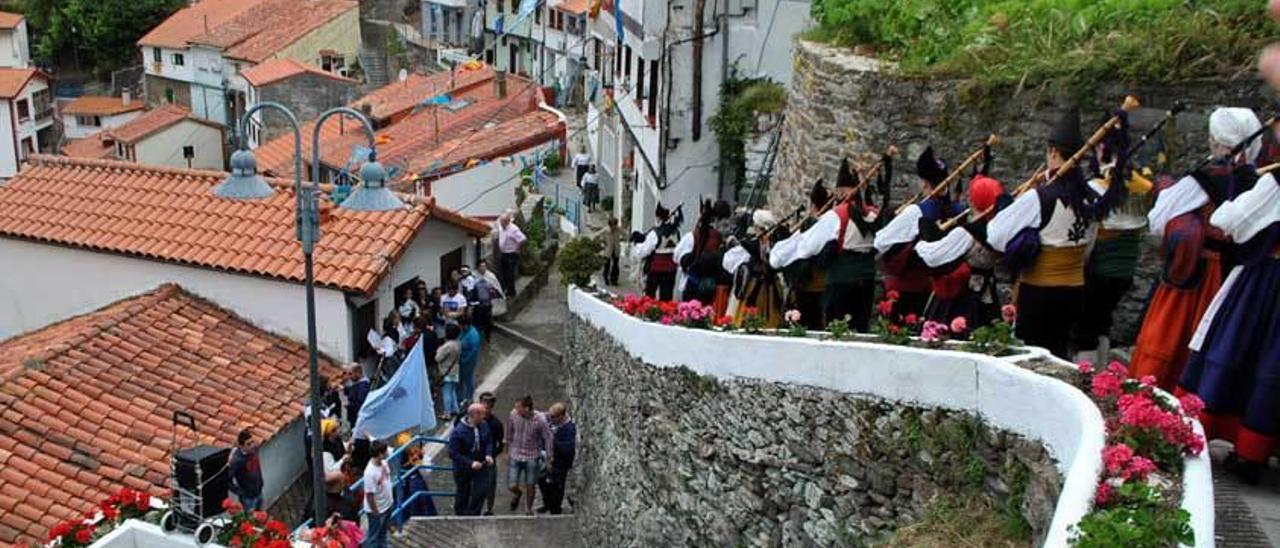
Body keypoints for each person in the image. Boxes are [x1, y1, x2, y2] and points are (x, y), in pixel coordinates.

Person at [1130, 108, 1261, 389]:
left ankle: (1153, 398)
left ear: (1218, 141)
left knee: (1168, 338)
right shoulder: (1259, 182)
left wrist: (1169, 195)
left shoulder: (1204, 179)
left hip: (1196, 277)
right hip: (1235, 279)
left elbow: (1157, 220)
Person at [987, 108, 1126, 359]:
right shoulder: (1091, 197)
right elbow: (1088, 248)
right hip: (1074, 290)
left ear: (1053, 152)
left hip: (1039, 292)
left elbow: (995, 235)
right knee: (1060, 352)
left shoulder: (1039, 197)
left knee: (1032, 355)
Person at [1176, 169, 1278, 484]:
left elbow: (1228, 220)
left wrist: (1241, 187)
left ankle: (1241, 449)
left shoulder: (1274, 183)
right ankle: (1256, 450)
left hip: (1267, 282)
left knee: (1237, 350)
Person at [772, 154, 891, 332]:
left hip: (841, 282)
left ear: (842, 192)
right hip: (867, 281)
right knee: (860, 330)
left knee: (837, 331)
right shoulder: (874, 214)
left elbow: (807, 249)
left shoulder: (837, 215)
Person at [1073, 145, 1153, 364]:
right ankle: (1100, 375)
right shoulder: (1141, 185)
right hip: (1125, 271)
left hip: (1100, 269)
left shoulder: (1098, 187)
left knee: (1087, 327)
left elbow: (1088, 233)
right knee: (1103, 322)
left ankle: (1086, 379)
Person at [875, 147, 963, 319]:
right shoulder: (957, 210)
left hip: (907, 287)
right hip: (937, 291)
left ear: (924, 183)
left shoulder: (916, 211)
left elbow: (881, 241)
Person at [914, 175, 1008, 329]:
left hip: (961, 297)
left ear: (974, 200)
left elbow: (933, 256)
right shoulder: (999, 230)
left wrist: (922, 241)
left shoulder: (967, 233)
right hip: (987, 294)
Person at [779, 180, 832, 330]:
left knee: (807, 322)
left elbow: (801, 249)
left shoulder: (813, 224)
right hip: (822, 282)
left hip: (809, 282)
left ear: (813, 205)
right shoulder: (830, 223)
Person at [725, 210, 787, 328]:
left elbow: (727, 262)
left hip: (756, 286)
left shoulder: (754, 244)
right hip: (770, 286)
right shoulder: (770, 244)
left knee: (749, 317)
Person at [505, 395, 552, 516]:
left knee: (531, 484)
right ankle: (518, 493)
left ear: (527, 408)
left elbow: (548, 437)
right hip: (516, 453)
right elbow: (509, 432)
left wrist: (548, 457)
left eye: (518, 407)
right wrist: (507, 450)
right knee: (512, 484)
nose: (516, 410)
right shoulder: (513, 415)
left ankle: (528, 508)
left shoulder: (540, 419)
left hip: (532, 455)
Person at [674, 200, 725, 305]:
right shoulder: (719, 237)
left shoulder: (693, 236)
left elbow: (677, 255)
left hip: (693, 283)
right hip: (711, 286)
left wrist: (686, 262)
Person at [448, 403, 496, 515]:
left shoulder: (484, 425)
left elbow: (488, 440)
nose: (484, 417)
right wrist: (470, 463)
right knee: (463, 492)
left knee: (481, 490)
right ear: (475, 415)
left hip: (481, 464)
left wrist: (488, 454)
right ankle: (460, 514)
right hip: (463, 467)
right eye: (482, 415)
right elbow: (453, 453)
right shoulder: (458, 432)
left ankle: (474, 513)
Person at [632, 203, 681, 300]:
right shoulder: (676, 232)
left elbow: (644, 251)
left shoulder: (655, 233)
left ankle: (649, 313)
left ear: (658, 217)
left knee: (649, 296)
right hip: (671, 270)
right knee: (666, 298)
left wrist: (636, 246)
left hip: (655, 269)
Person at [537, 402, 577, 515]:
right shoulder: (549, 422)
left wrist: (553, 440)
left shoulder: (569, 429)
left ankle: (555, 508)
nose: (550, 418)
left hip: (560, 462)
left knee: (556, 486)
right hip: (545, 458)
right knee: (542, 481)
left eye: (553, 416)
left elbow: (568, 449)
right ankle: (547, 504)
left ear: (561, 416)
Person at [361, 440, 394, 548]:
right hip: (377, 509)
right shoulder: (370, 473)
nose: (387, 452)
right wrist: (376, 512)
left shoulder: (383, 463)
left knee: (382, 533)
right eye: (385, 451)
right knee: (374, 537)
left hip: (387, 505)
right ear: (380, 454)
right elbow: (369, 495)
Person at [478, 392, 505, 515]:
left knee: (490, 485)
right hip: (474, 458)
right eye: (484, 404)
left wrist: (492, 454)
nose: (485, 407)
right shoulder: (474, 419)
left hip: (489, 460)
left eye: (488, 405)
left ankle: (489, 509)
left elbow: (501, 444)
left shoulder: (496, 424)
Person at [228, 429, 264, 511]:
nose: (252, 445)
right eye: (248, 444)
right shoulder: (237, 461)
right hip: (248, 498)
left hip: (259, 491)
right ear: (241, 446)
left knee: (261, 518)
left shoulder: (255, 449)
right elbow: (228, 479)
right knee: (250, 521)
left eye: (252, 442)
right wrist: (240, 492)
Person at [496, 211, 527, 299]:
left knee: (510, 274)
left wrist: (517, 248)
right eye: (501, 221)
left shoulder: (513, 229)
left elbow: (523, 239)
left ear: (508, 221)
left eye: (503, 222)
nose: (501, 223)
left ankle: (511, 292)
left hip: (511, 254)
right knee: (503, 273)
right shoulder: (500, 226)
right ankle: (506, 290)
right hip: (503, 253)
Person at [436, 323, 462, 418]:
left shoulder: (447, 346)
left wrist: (439, 350)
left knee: (446, 392)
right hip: (455, 370)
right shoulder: (458, 343)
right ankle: (455, 409)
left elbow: (438, 358)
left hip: (446, 371)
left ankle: (447, 413)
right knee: (452, 391)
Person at [468, 266, 498, 340]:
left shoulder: (489, 284)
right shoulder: (475, 285)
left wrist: (492, 292)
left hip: (487, 306)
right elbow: (473, 296)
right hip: (479, 306)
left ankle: (487, 336)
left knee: (487, 323)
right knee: (479, 323)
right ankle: (480, 336)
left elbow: (494, 294)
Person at [457, 316, 481, 403]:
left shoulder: (473, 335)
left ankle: (469, 397)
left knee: (467, 378)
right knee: (460, 379)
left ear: (465, 325)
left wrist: (465, 359)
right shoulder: (464, 331)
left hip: (467, 360)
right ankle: (460, 397)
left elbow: (474, 350)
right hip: (461, 358)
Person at [601, 217, 622, 286]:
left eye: (615, 225)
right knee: (607, 265)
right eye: (613, 225)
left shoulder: (618, 229)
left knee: (615, 265)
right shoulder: (605, 230)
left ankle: (614, 280)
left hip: (616, 249)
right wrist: (603, 244)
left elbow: (625, 234)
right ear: (610, 225)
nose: (615, 227)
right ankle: (605, 278)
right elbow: (600, 237)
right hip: (608, 250)